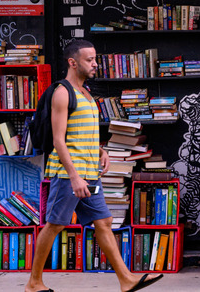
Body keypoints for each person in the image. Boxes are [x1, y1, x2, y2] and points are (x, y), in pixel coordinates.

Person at [25, 40, 163, 292]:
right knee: (55, 224)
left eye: (95, 59)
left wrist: (101, 151)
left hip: (90, 173)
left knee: (104, 222)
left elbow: (80, 132)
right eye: (90, 60)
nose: (95, 64)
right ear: (72, 62)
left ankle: (126, 279)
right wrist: (74, 176)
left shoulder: (87, 94)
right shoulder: (62, 92)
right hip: (69, 174)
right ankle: (34, 282)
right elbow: (58, 140)